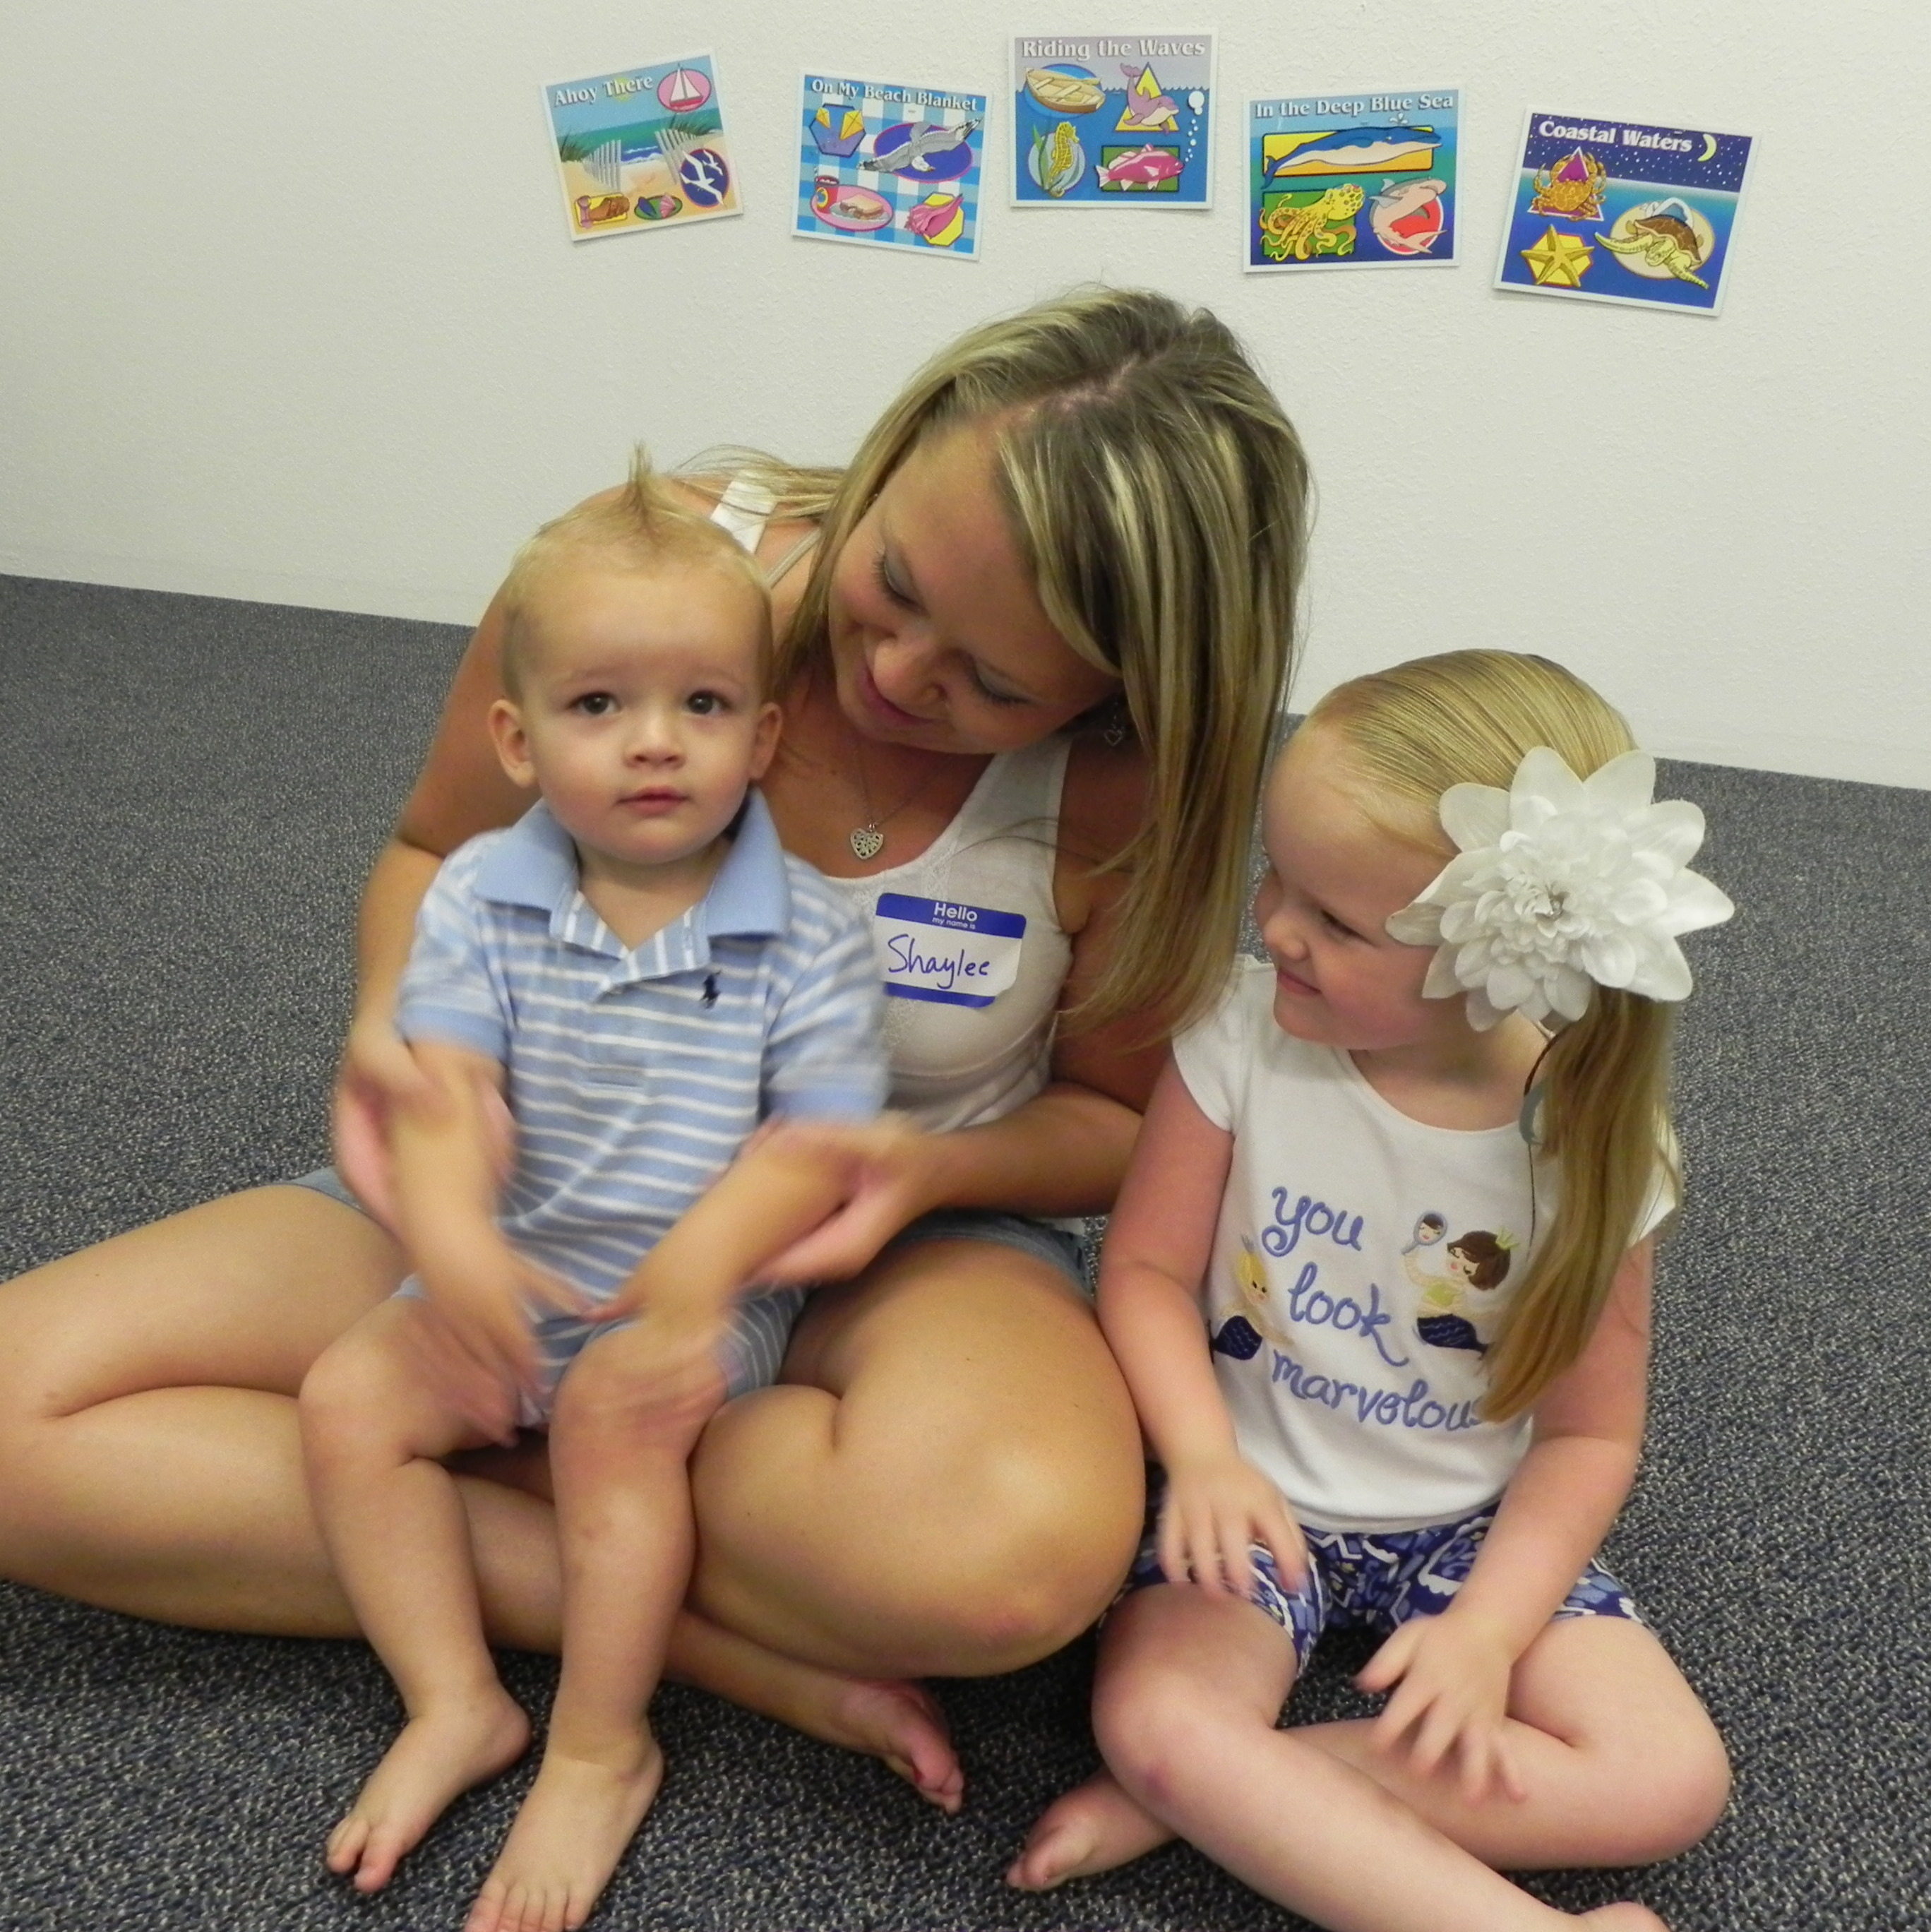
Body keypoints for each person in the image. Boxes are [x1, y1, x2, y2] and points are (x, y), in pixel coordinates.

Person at [0, 288, 1310, 1815]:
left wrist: (916, 1167)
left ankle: (486, 1482)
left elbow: (1115, 1120)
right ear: (894, 452)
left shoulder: (1130, 784)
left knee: (1002, 1574)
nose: (898, 673)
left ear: (1120, 692)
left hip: (896, 1242)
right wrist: (400, 1037)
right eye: (894, 584)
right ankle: (671, 1624)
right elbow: (434, 851)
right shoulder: (650, 575)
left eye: (995, 683)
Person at [1010, 652, 1735, 1930]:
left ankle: (1210, 1796)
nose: (1274, 926)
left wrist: (1488, 1634)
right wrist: (1204, 1459)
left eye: (1336, 924)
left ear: (1498, 957)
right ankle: (1219, 1787)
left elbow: (1588, 1436)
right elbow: (1144, 1271)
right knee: (1160, 1716)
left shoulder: (1592, 1146)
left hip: (1468, 1528)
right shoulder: (1239, 1036)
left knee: (1671, 1782)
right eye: (1277, 876)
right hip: (1251, 1497)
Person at [298, 470, 890, 1928]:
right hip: (516, 1263)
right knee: (349, 1401)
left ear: (763, 737)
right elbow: (446, 1097)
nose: (654, 742)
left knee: (617, 1424)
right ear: (517, 738)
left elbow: (817, 1146)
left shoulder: (813, 930)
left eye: (703, 705)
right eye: (599, 705)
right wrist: (451, 1242)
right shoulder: (478, 893)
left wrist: (696, 1274)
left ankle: (599, 1746)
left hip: (698, 1301)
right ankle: (454, 1699)